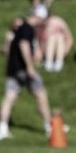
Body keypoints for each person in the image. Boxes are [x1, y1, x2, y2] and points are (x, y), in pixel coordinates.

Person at [0, 10, 53, 140]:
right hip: (24, 70)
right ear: (39, 17)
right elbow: (24, 45)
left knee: (9, 98)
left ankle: (2, 128)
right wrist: (30, 66)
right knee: (41, 95)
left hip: (13, 69)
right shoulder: (27, 28)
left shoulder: (19, 28)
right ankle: (50, 127)